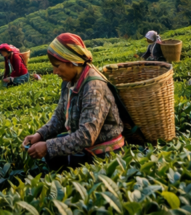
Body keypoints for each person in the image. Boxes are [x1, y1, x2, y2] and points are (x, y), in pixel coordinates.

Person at [22, 33, 124, 172]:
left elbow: (87, 136)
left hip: (105, 157)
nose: (54, 71)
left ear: (71, 62)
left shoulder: (94, 87)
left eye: (57, 66)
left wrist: (48, 146)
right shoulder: (69, 82)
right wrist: (40, 135)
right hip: (85, 151)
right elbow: (59, 115)